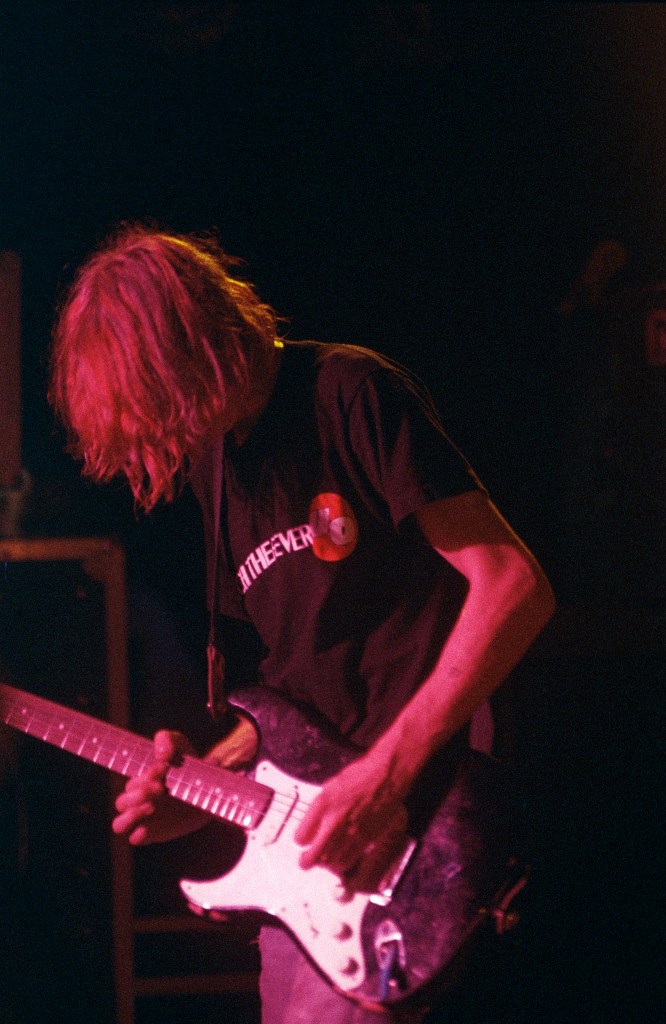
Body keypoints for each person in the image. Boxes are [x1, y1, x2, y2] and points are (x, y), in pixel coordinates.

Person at [49, 224, 556, 1024]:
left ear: (185, 348)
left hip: (419, 830)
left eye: (149, 401)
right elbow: (285, 696)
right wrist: (203, 786)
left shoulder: (346, 393)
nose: (156, 437)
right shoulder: (218, 469)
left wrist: (383, 780)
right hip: (318, 867)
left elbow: (514, 586)